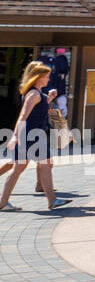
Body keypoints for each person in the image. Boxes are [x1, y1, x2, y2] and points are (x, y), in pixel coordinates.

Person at [0, 62, 73, 212]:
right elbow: (23, 116)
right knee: (44, 164)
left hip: (29, 135)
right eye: (46, 76)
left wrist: (49, 98)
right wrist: (14, 136)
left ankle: (3, 202)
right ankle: (52, 200)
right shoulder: (34, 94)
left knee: (19, 167)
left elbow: (39, 109)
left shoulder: (36, 94)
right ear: (38, 77)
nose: (48, 79)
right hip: (32, 136)